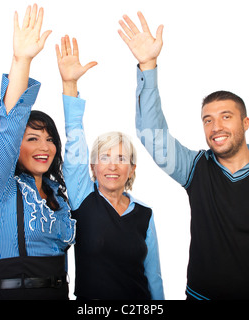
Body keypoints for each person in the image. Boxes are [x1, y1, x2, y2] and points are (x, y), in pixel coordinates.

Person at [118, 12, 249, 300]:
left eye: (226, 117)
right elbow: (152, 135)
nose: (216, 127)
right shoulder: (195, 168)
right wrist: (148, 66)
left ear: (245, 123)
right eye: (207, 119)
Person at [0, 4, 76, 300]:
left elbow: (77, 151)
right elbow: (10, 128)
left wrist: (70, 84)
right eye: (32, 138)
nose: (44, 147)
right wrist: (22, 60)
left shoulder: (58, 194)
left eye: (49, 139)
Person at [56, 35, 164, 300]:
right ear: (92, 166)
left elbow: (154, 277)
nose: (112, 165)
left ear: (132, 169)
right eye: (104, 157)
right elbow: (74, 137)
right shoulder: (83, 198)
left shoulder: (145, 215)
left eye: (121, 158)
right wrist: (70, 84)